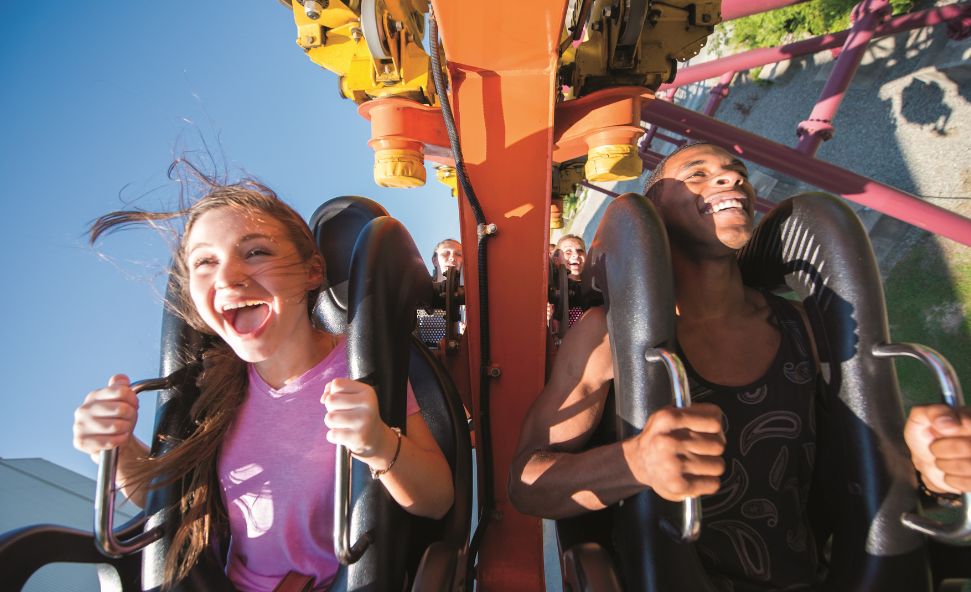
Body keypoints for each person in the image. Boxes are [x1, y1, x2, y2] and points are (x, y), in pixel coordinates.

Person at [509, 142, 971, 590]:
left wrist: (928, 471)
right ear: (654, 214)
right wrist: (634, 463)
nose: (732, 179)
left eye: (737, 173)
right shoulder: (605, 334)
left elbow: (847, 467)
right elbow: (527, 484)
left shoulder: (803, 326)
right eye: (697, 174)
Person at [72, 168, 453, 591]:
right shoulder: (211, 391)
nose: (228, 276)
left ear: (312, 272)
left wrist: (380, 444)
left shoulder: (362, 368)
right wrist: (117, 447)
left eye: (255, 252)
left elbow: (439, 501)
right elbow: (173, 503)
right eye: (205, 262)